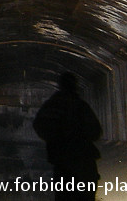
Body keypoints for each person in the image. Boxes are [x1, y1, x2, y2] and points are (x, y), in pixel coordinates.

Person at [33, 72, 102, 201]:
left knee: (64, 195)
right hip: (83, 159)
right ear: (75, 86)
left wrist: (53, 140)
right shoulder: (80, 105)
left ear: (60, 85)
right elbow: (96, 131)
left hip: (61, 160)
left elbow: (39, 124)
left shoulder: (52, 105)